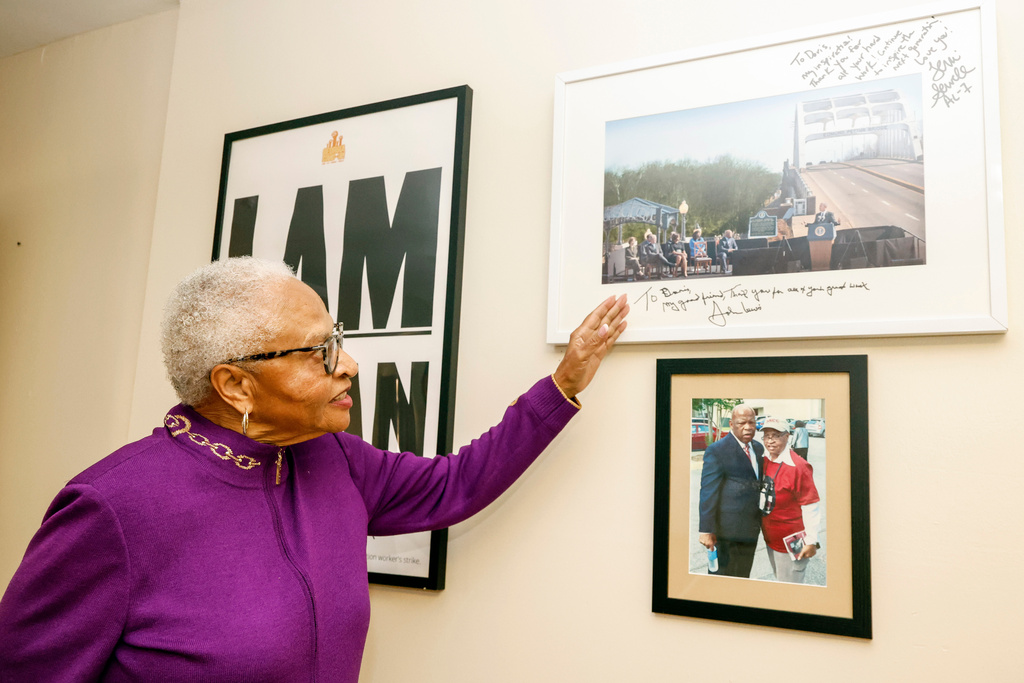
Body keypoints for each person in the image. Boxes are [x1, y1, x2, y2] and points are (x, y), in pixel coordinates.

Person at [0, 257, 629, 681]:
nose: (350, 364)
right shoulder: (113, 509)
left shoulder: (333, 459)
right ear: (235, 384)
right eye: (321, 351)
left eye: (341, 338)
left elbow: (454, 485)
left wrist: (562, 386)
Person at [698, 404, 764, 577]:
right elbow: (708, 492)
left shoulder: (758, 448)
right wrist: (706, 530)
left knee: (743, 574)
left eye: (752, 422)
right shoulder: (717, 450)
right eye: (742, 423)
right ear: (732, 424)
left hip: (750, 529)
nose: (748, 427)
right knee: (722, 577)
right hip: (726, 532)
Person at [758, 417, 821, 585]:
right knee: (780, 580)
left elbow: (810, 506)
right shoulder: (764, 460)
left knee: (790, 589)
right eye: (766, 436)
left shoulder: (799, 466)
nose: (770, 440)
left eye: (776, 435)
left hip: (791, 543)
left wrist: (811, 540)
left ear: (787, 436)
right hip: (771, 539)